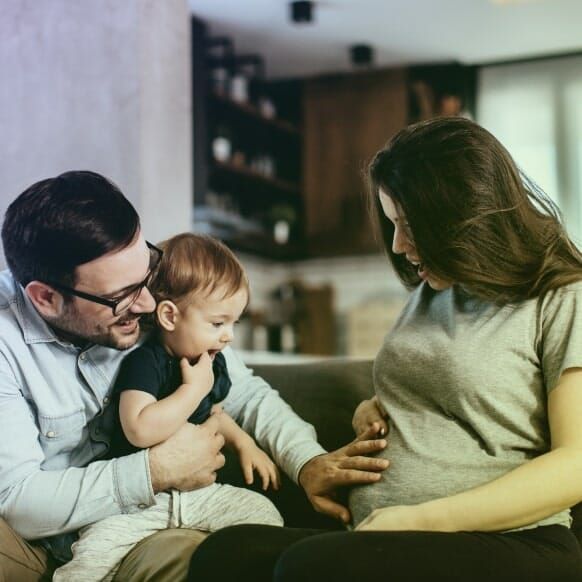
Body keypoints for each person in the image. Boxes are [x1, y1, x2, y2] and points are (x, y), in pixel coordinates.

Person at [187, 117, 582, 582]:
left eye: (410, 226)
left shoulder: (563, 296)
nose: (397, 244)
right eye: (394, 223)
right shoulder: (434, 290)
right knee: (226, 554)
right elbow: (446, 396)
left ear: (464, 215)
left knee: (309, 567)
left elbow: (574, 464)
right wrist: (371, 410)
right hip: (386, 536)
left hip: (514, 540)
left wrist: (419, 520)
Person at [0, 171, 388, 580]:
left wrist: (306, 462)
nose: (148, 302)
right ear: (46, 297)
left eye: (147, 271)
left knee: (206, 555)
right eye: (122, 297)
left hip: (147, 520)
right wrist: (154, 469)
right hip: (41, 538)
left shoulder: (155, 304)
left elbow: (247, 395)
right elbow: (19, 500)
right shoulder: (6, 345)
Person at [53, 232, 286, 581]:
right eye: (218, 323)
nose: (229, 337)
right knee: (91, 560)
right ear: (169, 316)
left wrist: (245, 444)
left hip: (200, 494)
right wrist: (192, 390)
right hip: (136, 504)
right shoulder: (145, 363)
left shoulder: (212, 363)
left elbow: (213, 416)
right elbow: (139, 427)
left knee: (265, 517)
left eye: (234, 323)